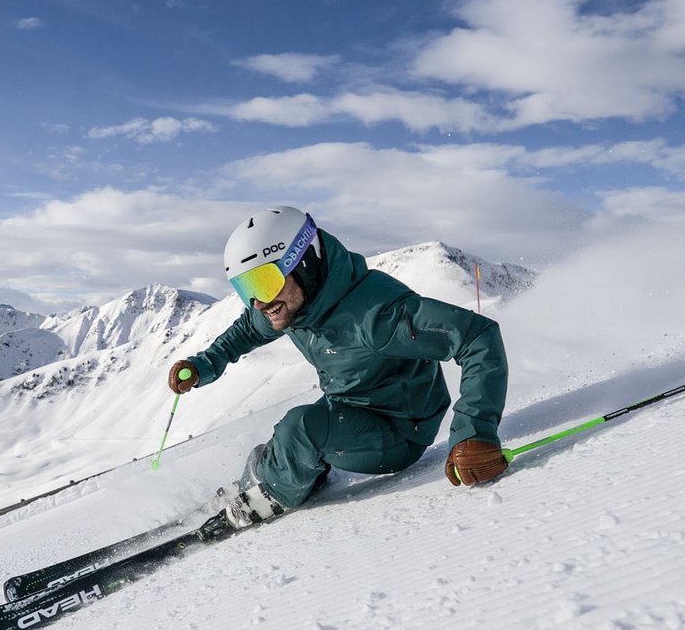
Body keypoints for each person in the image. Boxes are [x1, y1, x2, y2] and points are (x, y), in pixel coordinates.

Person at [170, 206, 510, 530]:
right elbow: (247, 329)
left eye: (264, 282)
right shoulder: (294, 304)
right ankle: (265, 479)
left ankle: (270, 497)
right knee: (276, 448)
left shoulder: (375, 315)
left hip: (401, 431)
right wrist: (203, 365)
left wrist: (475, 433)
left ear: (303, 262)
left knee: (300, 429)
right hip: (351, 406)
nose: (259, 302)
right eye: (246, 289)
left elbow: (478, 336)